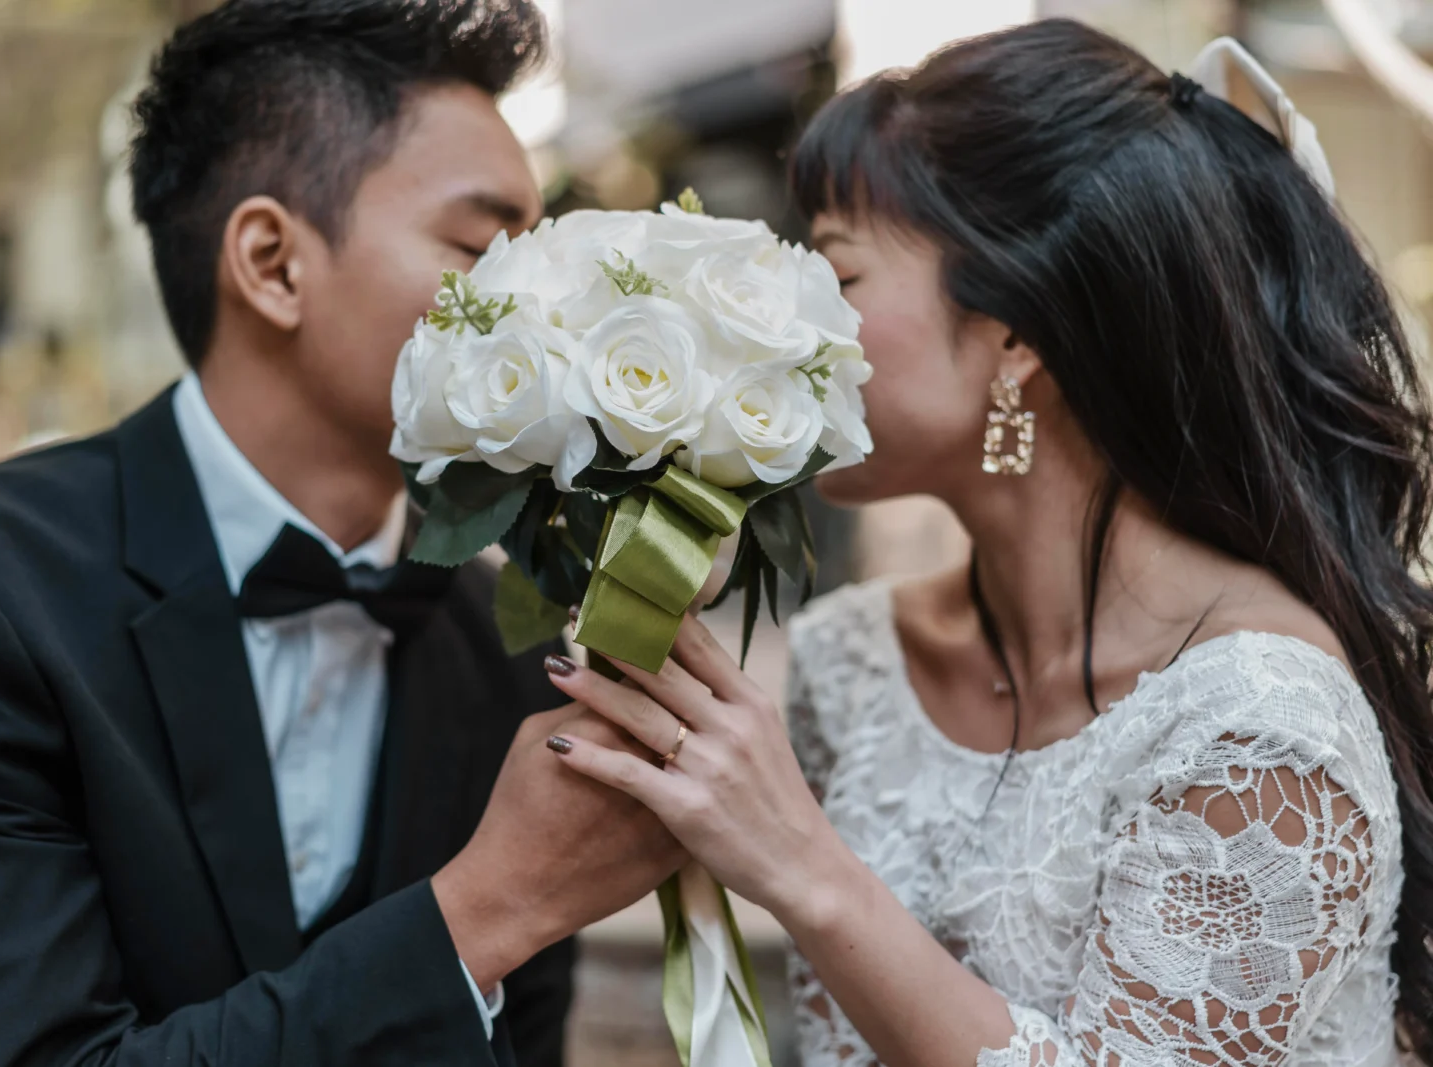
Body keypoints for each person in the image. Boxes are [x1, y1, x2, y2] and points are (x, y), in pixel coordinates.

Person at [540, 19, 1433, 1067]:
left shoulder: (1258, 724)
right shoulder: (851, 660)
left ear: (1015, 333)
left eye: (838, 274)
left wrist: (803, 867)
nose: (787, 329)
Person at [0, 2, 680, 1065]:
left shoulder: (509, 645)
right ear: (273, 262)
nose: (550, 307)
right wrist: (487, 908)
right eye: (482, 247)